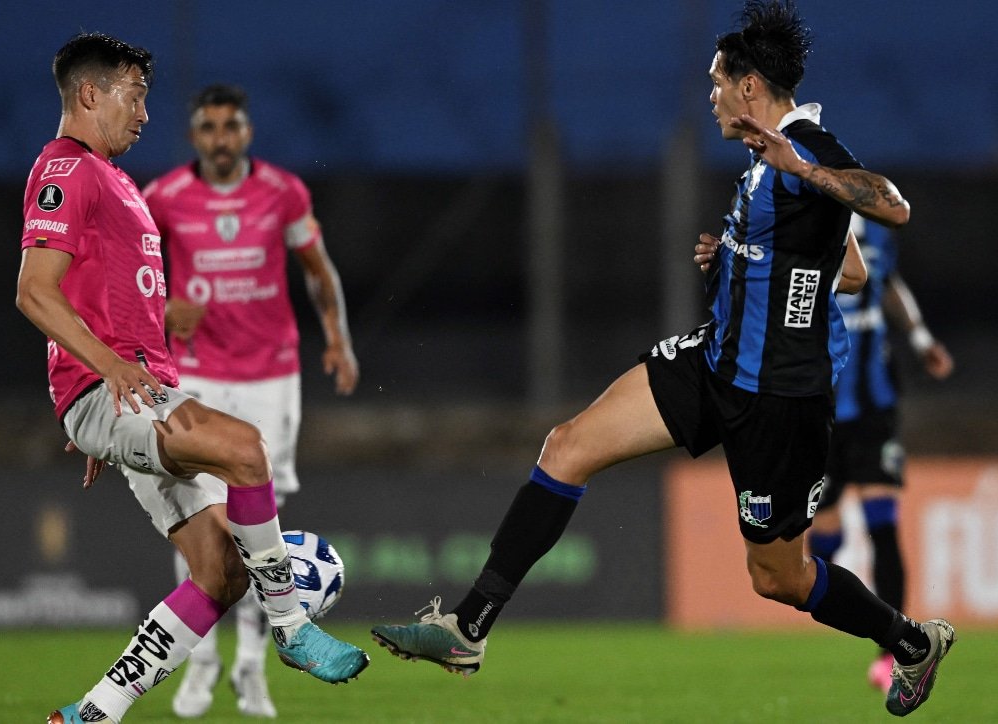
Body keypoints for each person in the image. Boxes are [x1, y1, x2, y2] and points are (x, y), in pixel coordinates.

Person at [371, 2, 956, 717]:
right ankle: (467, 628)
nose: (710, 95)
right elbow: (851, 271)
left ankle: (912, 642)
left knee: (779, 578)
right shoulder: (767, 161)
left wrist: (803, 169)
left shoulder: (806, 145)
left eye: (717, 82)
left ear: (749, 87)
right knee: (567, 446)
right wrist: (738, 261)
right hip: (715, 362)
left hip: (780, 396)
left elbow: (892, 205)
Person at [16, 33, 367, 724]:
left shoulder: (111, 177)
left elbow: (101, 295)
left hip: (133, 396)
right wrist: (102, 376)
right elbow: (33, 291)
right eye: (134, 95)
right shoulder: (66, 168)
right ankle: (291, 626)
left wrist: (107, 418)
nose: (144, 114)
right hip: (122, 389)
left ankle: (94, 710)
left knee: (221, 572)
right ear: (90, 93)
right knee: (245, 449)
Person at [143, 84, 360, 719]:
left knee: (263, 526)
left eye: (230, 125)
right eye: (208, 127)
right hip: (196, 375)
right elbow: (127, 276)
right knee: (197, 515)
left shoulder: (283, 192)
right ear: (194, 136)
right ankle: (200, 662)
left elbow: (318, 269)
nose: (220, 137)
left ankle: (251, 665)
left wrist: (339, 339)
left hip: (271, 376)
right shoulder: (163, 198)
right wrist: (164, 310)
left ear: (247, 132)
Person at [809, 216, 953, 691]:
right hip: (820, 409)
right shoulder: (804, 228)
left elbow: (890, 285)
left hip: (875, 409)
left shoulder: (877, 234)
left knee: (882, 525)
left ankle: (894, 650)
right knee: (821, 541)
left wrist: (921, 338)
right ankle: (845, 605)